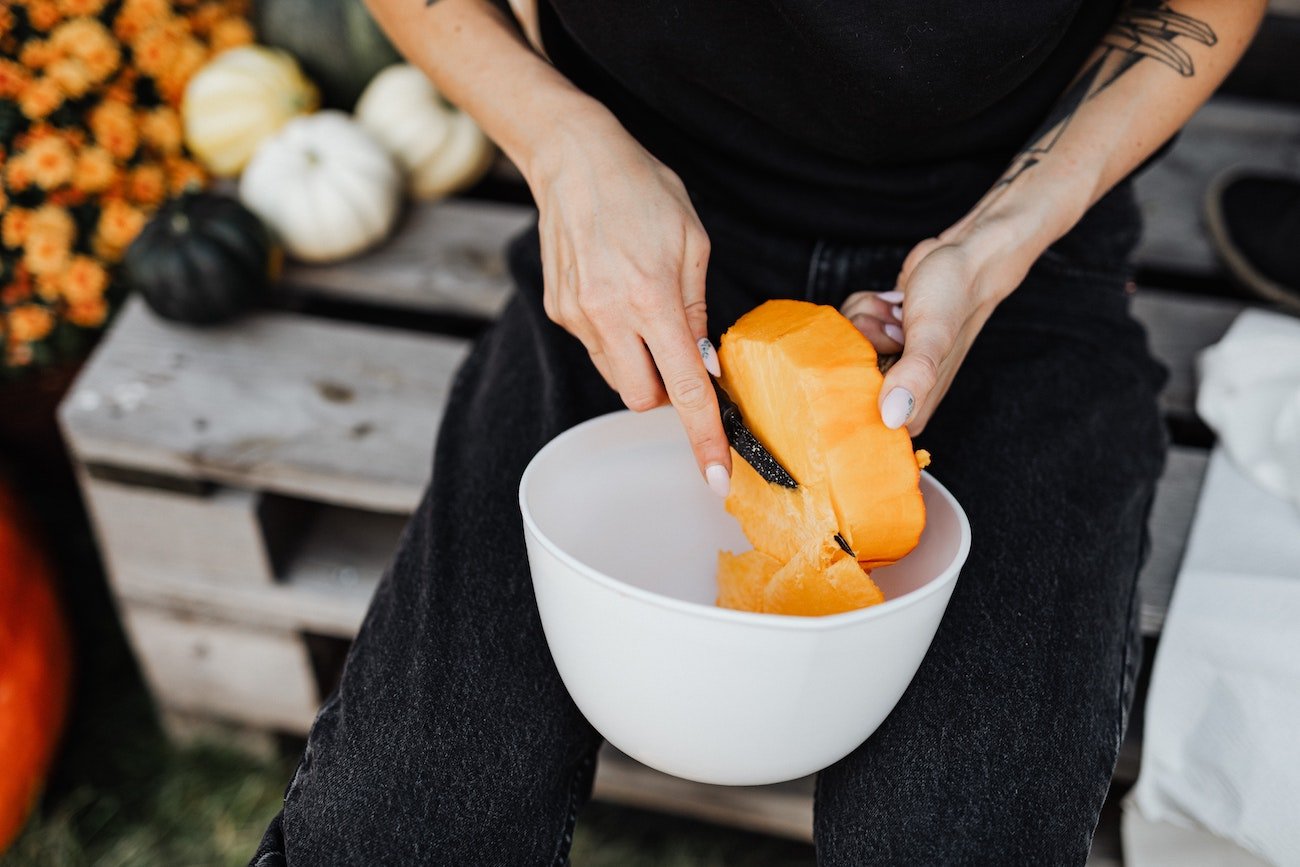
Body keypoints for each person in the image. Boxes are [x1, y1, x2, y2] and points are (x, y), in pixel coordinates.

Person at [250, 1, 1266, 864]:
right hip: (638, 233)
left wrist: (1004, 235)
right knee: (401, 817)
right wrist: (560, 142)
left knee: (955, 836)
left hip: (1010, 263)